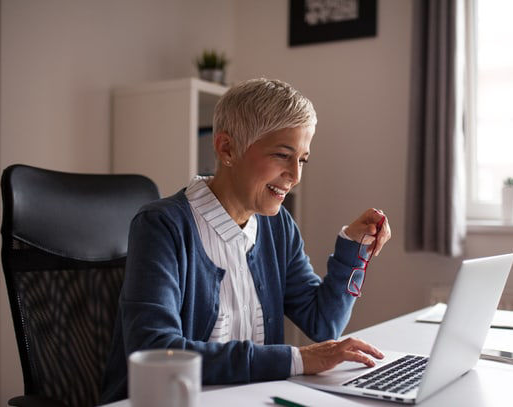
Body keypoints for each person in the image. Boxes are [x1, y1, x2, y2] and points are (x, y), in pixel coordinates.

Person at [100, 78, 391, 403]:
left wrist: (354, 246)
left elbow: (324, 323)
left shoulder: (278, 225)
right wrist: (297, 359)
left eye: (303, 159)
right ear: (227, 149)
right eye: (283, 155)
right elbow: (155, 350)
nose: (295, 176)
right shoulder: (162, 226)